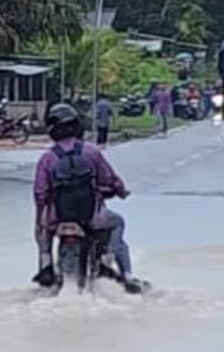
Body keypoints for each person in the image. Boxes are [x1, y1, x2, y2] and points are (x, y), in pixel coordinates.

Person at [32, 103, 142, 293]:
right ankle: (121, 272)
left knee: (42, 236)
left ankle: (46, 266)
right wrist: (121, 191)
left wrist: (41, 219)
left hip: (57, 218)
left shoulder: (47, 158)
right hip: (92, 217)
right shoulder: (91, 151)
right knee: (118, 223)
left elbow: (40, 193)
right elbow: (109, 178)